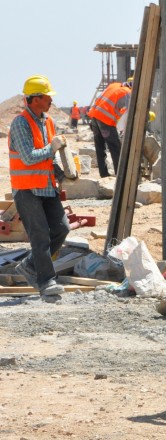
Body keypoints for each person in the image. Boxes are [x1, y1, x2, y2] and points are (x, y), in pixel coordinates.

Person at [9, 75, 71, 297]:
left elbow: (48, 160)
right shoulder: (20, 123)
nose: (51, 101)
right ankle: (46, 282)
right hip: (27, 189)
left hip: (46, 186)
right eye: (47, 97)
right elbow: (28, 157)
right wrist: (52, 148)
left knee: (62, 228)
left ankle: (30, 265)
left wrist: (62, 171)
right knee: (40, 235)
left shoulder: (48, 122)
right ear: (35, 99)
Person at [87, 78, 132, 177]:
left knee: (100, 147)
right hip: (105, 121)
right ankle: (120, 175)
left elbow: (100, 98)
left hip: (94, 116)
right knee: (115, 147)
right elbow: (130, 113)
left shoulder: (114, 85)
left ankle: (103, 174)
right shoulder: (128, 93)